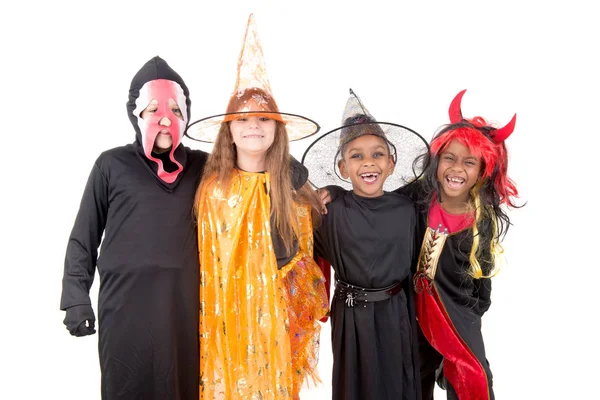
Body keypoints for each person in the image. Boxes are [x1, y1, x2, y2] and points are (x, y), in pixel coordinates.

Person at [187, 14, 328, 400]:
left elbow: (306, 260)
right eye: (244, 119)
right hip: (228, 325)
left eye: (264, 118)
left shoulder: (295, 190)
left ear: (277, 128)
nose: (254, 126)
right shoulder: (213, 192)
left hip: (278, 325)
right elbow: (210, 265)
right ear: (229, 130)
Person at [59, 56, 207, 399]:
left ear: (186, 115)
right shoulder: (111, 164)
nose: (164, 119)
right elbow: (84, 237)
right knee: (127, 386)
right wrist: (75, 298)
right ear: (136, 114)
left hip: (184, 308)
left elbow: (248, 178)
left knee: (184, 388)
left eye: (174, 109)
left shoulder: (204, 166)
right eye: (152, 109)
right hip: (125, 308)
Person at [302, 89, 429, 400]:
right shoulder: (330, 213)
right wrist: (325, 193)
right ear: (343, 169)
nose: (368, 162)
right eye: (356, 155)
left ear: (391, 162)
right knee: (355, 386)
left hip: (397, 312)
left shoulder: (407, 210)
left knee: (399, 381)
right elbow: (298, 241)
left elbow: (419, 266)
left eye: (377, 154)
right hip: (351, 316)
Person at [398, 89, 521, 400]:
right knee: (412, 377)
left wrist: (468, 318)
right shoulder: (413, 199)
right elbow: (372, 204)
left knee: (474, 377)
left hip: (456, 313)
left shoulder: (483, 220)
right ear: (436, 162)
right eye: (449, 158)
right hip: (409, 313)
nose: (456, 169)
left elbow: (482, 284)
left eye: (469, 162)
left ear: (482, 172)